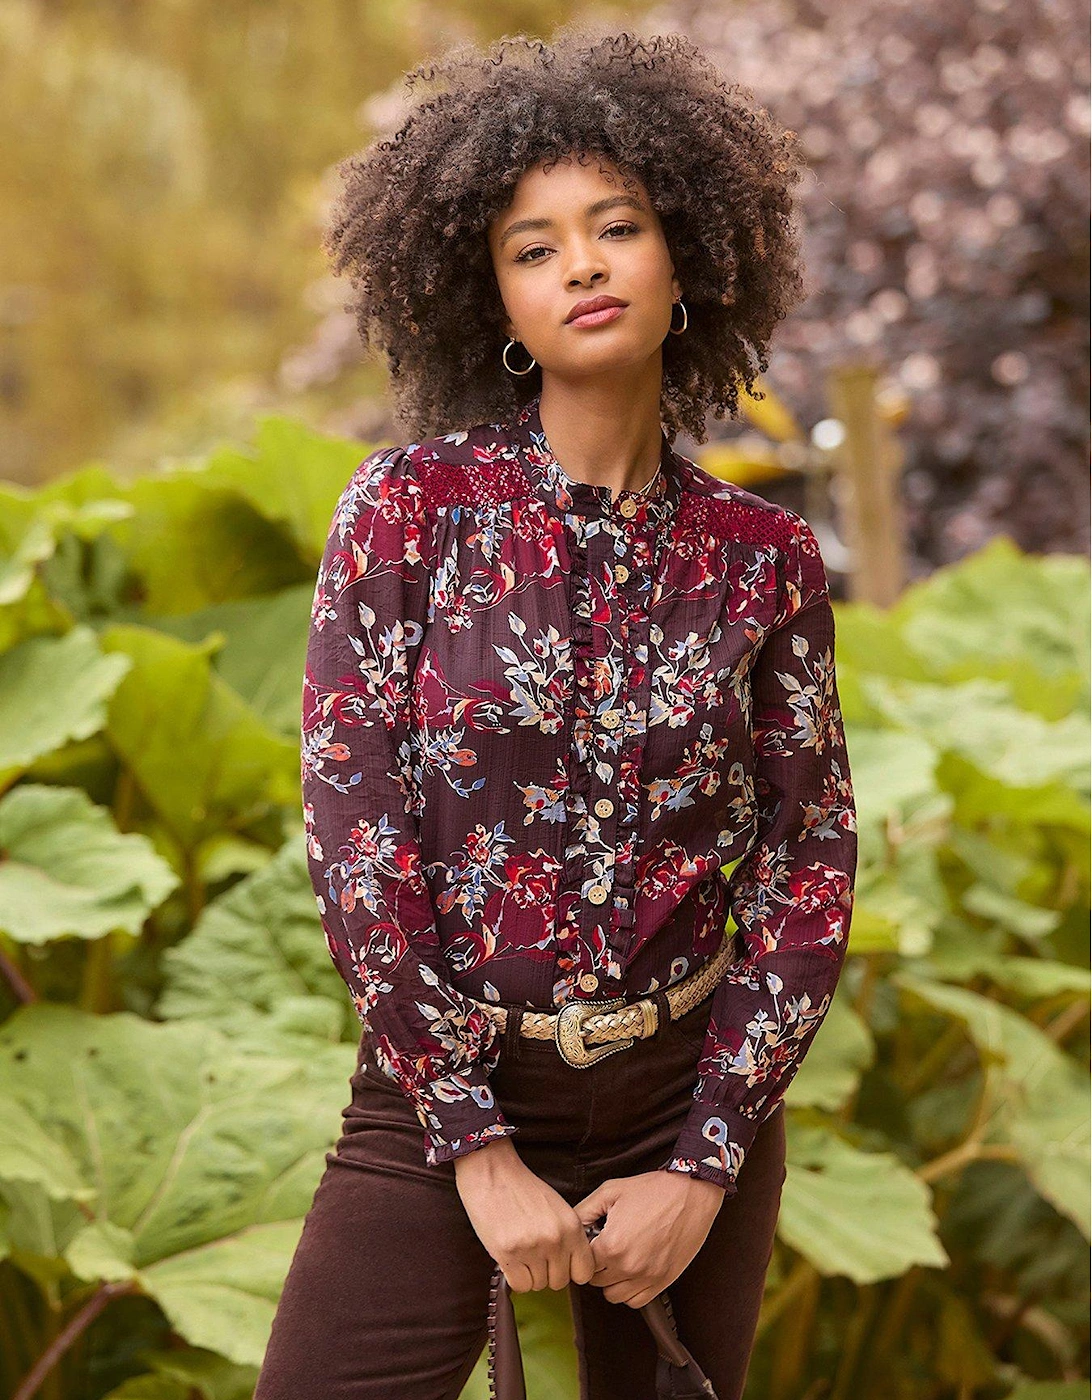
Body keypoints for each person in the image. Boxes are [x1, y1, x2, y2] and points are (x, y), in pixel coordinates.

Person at [255, 24, 858, 1400]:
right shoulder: (406, 512)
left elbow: (809, 858)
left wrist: (706, 1163)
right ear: (493, 303)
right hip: (440, 1096)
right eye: (534, 248)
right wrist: (471, 1141)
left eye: (616, 227)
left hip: (686, 1092)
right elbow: (356, 842)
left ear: (685, 259)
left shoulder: (763, 556)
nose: (581, 265)